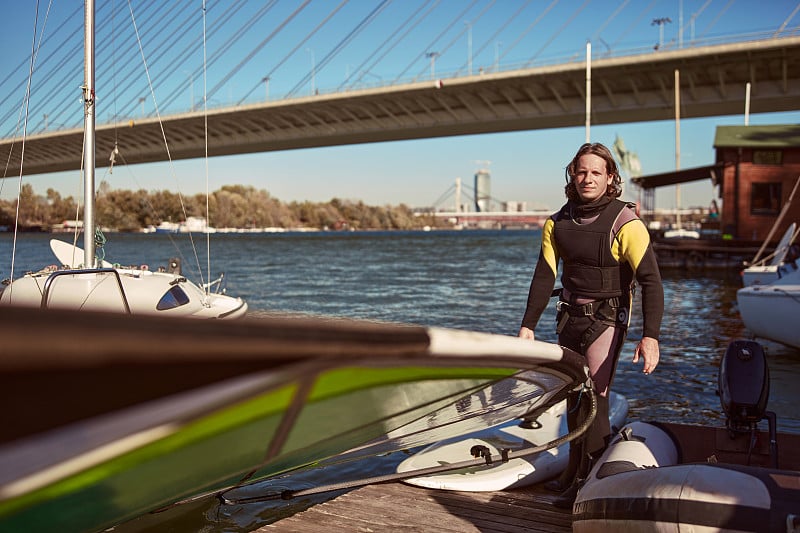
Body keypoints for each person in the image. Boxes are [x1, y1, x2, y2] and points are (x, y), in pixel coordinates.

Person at [518, 142, 663, 508]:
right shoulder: (557, 223)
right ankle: (572, 471)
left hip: (607, 319)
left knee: (595, 398)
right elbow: (544, 274)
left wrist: (650, 337)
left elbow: (651, 282)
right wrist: (527, 326)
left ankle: (589, 483)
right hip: (569, 316)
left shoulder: (625, 223)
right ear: (572, 174)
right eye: (581, 171)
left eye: (596, 172)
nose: (588, 178)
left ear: (611, 178)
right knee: (572, 397)